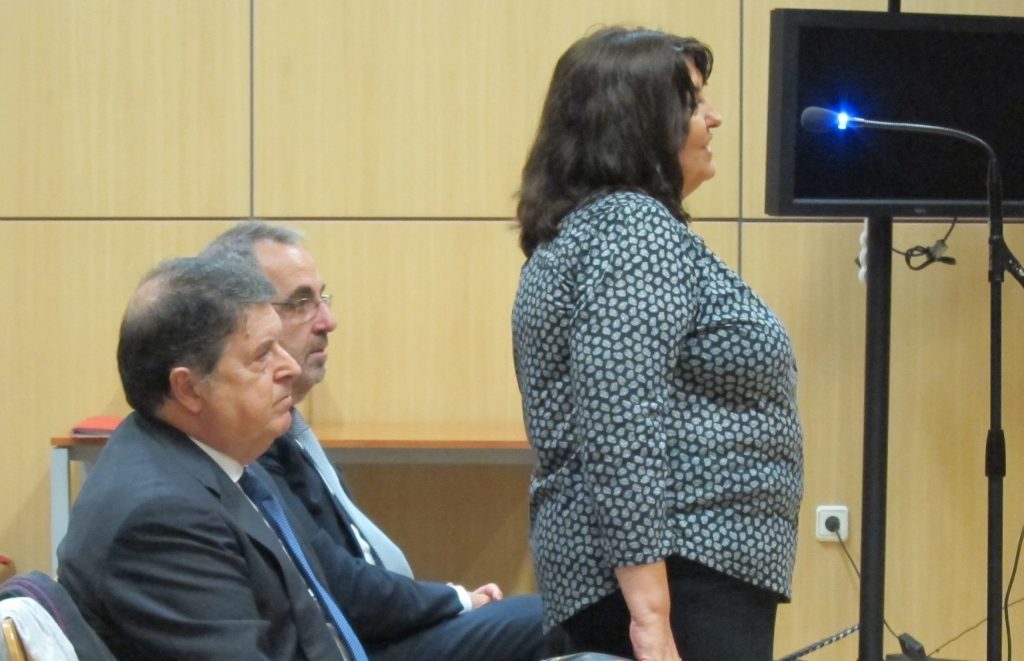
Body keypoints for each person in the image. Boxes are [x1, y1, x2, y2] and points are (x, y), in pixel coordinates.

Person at [511, 27, 803, 661]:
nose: (713, 118)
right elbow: (619, 422)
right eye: (694, 103)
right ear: (640, 123)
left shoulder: (597, 228)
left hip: (670, 576)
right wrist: (651, 618)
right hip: (673, 581)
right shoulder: (633, 228)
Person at [200, 222, 546, 661]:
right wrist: (456, 600)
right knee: (554, 619)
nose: (328, 321)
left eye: (322, 298)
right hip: (360, 644)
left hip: (389, 626)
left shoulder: (285, 428)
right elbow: (337, 583)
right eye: (301, 303)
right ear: (243, 319)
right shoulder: (247, 440)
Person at [57, 256, 364, 659]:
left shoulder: (222, 454)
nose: (289, 367)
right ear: (188, 389)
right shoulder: (161, 518)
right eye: (263, 355)